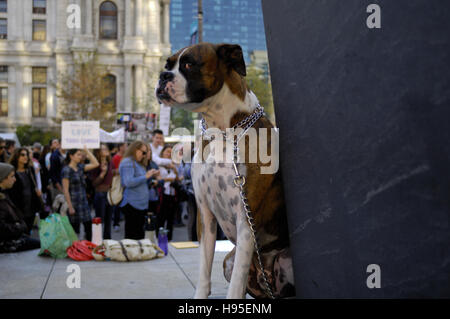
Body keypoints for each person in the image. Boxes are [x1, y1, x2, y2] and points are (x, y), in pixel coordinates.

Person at [119, 141, 159, 240]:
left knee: (139, 235)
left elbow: (141, 182)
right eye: (143, 152)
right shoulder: (128, 162)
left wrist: (151, 176)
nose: (145, 155)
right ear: (135, 150)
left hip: (140, 205)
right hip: (132, 204)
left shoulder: (137, 163)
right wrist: (146, 176)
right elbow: (128, 182)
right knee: (132, 236)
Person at [0, 163, 40, 253]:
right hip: (7, 242)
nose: (15, 179)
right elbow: (2, 228)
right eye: (12, 176)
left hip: (14, 237)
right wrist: (19, 227)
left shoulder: (5, 194)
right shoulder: (2, 197)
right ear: (3, 178)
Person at [62, 148, 99, 241]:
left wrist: (86, 151)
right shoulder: (66, 170)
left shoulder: (80, 167)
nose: (80, 156)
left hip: (83, 202)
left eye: (80, 154)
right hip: (73, 203)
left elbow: (96, 163)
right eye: (78, 154)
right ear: (71, 156)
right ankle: (75, 251)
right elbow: (65, 190)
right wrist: (70, 207)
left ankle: (88, 248)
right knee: (74, 230)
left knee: (88, 227)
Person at [8, 148, 43, 232]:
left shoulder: (30, 170)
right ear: (16, 156)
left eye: (26, 155)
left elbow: (33, 185)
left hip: (31, 206)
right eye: (22, 155)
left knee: (28, 229)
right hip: (19, 208)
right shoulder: (11, 171)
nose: (25, 157)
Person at [90, 144, 114, 239]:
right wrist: (103, 173)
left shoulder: (110, 162)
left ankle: (108, 241)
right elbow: (94, 184)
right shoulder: (95, 164)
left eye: (106, 148)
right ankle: (97, 241)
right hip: (100, 194)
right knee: (100, 221)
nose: (105, 150)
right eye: (102, 149)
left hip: (110, 194)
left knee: (108, 221)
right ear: (98, 152)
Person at [157, 145, 180, 241]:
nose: (169, 154)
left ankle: (169, 241)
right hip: (162, 195)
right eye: (167, 151)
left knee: (170, 220)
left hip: (172, 195)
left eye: (171, 152)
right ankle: (158, 240)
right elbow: (158, 179)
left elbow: (178, 179)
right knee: (160, 219)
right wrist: (169, 179)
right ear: (162, 152)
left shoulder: (175, 165)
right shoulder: (158, 164)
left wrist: (174, 170)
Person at [111, 143, 127, 231]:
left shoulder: (126, 157)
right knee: (117, 203)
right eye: (125, 146)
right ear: (120, 147)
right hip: (119, 183)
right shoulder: (116, 158)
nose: (126, 147)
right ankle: (115, 222)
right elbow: (115, 171)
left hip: (125, 183)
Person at [146, 145, 163, 215]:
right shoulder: (138, 165)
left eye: (149, 150)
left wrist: (157, 181)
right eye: (146, 151)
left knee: (153, 217)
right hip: (141, 197)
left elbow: (161, 181)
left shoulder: (153, 164)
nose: (148, 152)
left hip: (153, 196)